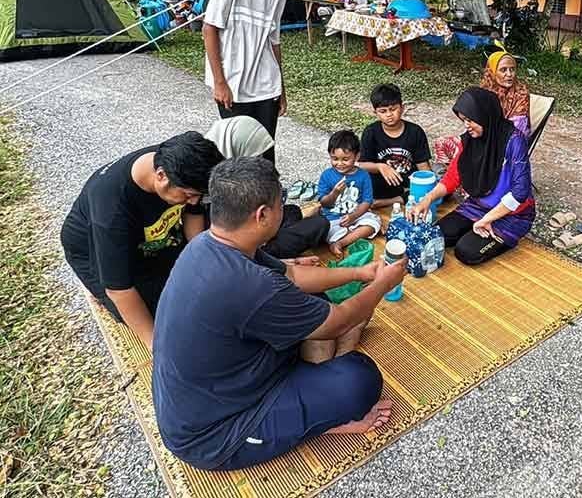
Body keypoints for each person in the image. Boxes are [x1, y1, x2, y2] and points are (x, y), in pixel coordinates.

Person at [152, 157, 406, 471]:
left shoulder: (208, 243)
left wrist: (360, 273)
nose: (284, 209)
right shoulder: (250, 283)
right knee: (359, 379)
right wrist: (382, 284)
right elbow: (337, 321)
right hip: (216, 435)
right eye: (281, 202)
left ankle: (311, 390)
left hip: (224, 384)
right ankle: (323, 421)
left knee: (312, 302)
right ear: (262, 215)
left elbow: (293, 275)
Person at [61, 132, 224, 350]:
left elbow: (193, 211)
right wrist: (157, 347)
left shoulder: (181, 165)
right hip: (92, 248)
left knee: (199, 286)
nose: (193, 201)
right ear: (161, 176)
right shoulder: (111, 212)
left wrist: (201, 260)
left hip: (150, 235)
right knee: (167, 315)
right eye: (188, 195)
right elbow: (120, 290)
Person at [203, 0, 315, 163]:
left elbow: (274, 43)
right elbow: (209, 28)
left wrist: (281, 90)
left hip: (266, 86)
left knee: (265, 154)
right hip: (233, 85)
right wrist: (219, 82)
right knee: (238, 156)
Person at [410, 87, 535, 265]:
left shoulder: (514, 141)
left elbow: (520, 192)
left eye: (470, 120)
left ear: (485, 116)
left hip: (511, 216)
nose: (466, 125)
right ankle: (475, 227)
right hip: (477, 206)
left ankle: (499, 235)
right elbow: (452, 177)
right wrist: (427, 199)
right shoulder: (469, 140)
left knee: (466, 252)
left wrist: (487, 220)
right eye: (463, 120)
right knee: (435, 234)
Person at [203, 116, 329, 259]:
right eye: (255, 154)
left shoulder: (226, 171)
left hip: (255, 227)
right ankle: (269, 253)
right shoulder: (214, 185)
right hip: (246, 247)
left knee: (293, 211)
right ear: (239, 146)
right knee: (319, 224)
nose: (259, 158)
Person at [434, 44, 531, 167]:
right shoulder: (486, 89)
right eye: (503, 70)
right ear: (492, 72)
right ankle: (450, 176)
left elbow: (517, 129)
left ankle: (466, 176)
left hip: (504, 143)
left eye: (512, 69)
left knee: (468, 155)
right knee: (442, 143)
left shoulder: (520, 94)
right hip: (481, 137)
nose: (509, 74)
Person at [359, 83, 432, 209]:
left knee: (437, 188)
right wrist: (380, 167)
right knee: (361, 179)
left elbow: (423, 167)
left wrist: (429, 182)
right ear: (375, 112)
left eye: (393, 109)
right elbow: (362, 165)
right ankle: (399, 199)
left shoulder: (415, 132)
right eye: (383, 111)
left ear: (402, 108)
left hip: (408, 183)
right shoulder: (371, 132)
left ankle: (387, 202)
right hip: (383, 181)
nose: (389, 115)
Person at [318, 130, 381, 258]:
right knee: (326, 230)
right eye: (335, 159)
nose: (339, 163)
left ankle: (341, 243)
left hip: (356, 215)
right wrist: (334, 193)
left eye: (345, 159)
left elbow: (367, 201)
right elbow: (324, 203)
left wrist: (353, 216)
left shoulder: (363, 175)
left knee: (374, 223)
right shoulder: (327, 175)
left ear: (357, 157)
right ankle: (350, 235)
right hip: (333, 219)